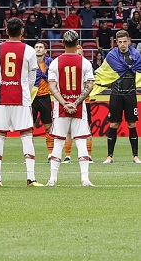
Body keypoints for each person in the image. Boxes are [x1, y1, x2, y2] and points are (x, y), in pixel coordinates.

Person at [0, 17, 44, 187]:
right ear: (22, 31)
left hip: (3, 97)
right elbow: (32, 77)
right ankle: (31, 178)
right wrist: (24, 91)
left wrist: (3, 87)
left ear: (6, 31)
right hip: (22, 98)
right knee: (27, 136)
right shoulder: (29, 51)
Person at [46, 30, 95, 187]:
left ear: (63, 43)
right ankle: (85, 178)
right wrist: (76, 103)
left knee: (58, 141)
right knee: (81, 141)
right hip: (79, 108)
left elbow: (52, 87)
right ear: (77, 43)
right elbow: (89, 86)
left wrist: (64, 103)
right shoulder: (85, 62)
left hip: (60, 108)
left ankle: (53, 178)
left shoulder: (55, 62)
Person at [95, 30, 141, 164]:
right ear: (116, 42)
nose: (122, 44)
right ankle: (109, 156)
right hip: (115, 95)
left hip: (131, 94)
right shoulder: (111, 56)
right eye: (120, 42)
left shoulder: (136, 56)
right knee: (114, 124)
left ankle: (135, 156)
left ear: (129, 41)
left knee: (132, 124)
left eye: (124, 41)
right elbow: (103, 73)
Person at [31, 42, 54, 161]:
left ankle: (50, 153)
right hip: (32, 97)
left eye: (41, 47)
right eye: (36, 47)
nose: (38, 49)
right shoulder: (29, 62)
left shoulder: (50, 62)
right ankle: (30, 154)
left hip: (45, 96)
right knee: (30, 127)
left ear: (45, 51)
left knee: (48, 126)